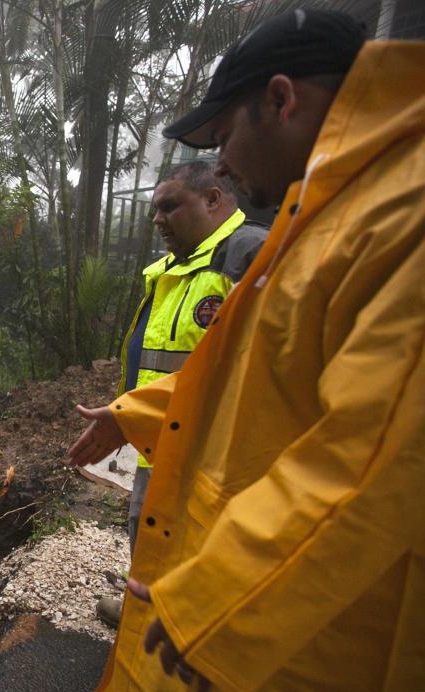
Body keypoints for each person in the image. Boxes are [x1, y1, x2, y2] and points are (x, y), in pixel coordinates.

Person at [67, 8, 425, 692]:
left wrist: (220, 602)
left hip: (319, 643)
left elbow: (378, 453)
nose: (225, 165)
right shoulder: (335, 206)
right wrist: (135, 411)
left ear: (281, 98)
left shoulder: (414, 204)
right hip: (268, 611)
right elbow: (251, 369)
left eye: (224, 140)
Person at [96, 161, 264, 627]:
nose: (157, 220)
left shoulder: (247, 257)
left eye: (169, 206)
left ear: (213, 199)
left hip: (213, 453)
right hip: (160, 442)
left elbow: (246, 370)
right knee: (148, 535)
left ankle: (173, 634)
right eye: (155, 210)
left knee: (199, 549)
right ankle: (144, 616)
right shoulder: (176, 268)